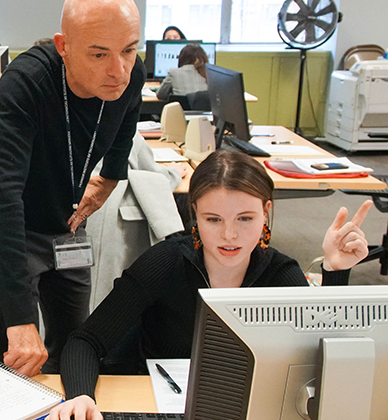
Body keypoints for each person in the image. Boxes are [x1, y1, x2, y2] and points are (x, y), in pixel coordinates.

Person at [47, 149, 373, 420]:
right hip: (160, 407)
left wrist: (334, 269)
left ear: (266, 213)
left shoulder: (279, 274)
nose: (229, 235)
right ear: (195, 215)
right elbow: (86, 341)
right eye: (213, 219)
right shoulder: (167, 262)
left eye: (245, 219)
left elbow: (328, 358)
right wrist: (80, 396)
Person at [0, 0, 145, 376]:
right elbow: (2, 198)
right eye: (99, 54)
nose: (119, 70)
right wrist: (18, 318)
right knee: (11, 345)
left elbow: (129, 114)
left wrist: (111, 176)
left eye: (129, 50)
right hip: (10, 220)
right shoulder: (26, 83)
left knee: (74, 334)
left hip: (65, 220)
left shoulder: (129, 75)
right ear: (64, 46)